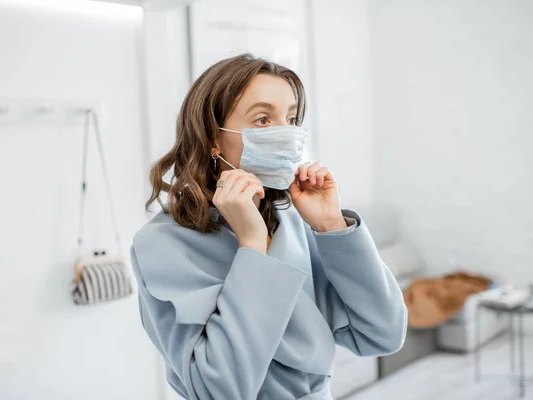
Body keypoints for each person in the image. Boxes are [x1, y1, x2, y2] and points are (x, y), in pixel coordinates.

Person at [130, 53, 407, 400]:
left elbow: (384, 334)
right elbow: (218, 390)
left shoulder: (294, 221)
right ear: (213, 137)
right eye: (263, 119)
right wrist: (252, 246)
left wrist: (331, 225)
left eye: (291, 119)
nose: (285, 134)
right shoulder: (163, 243)